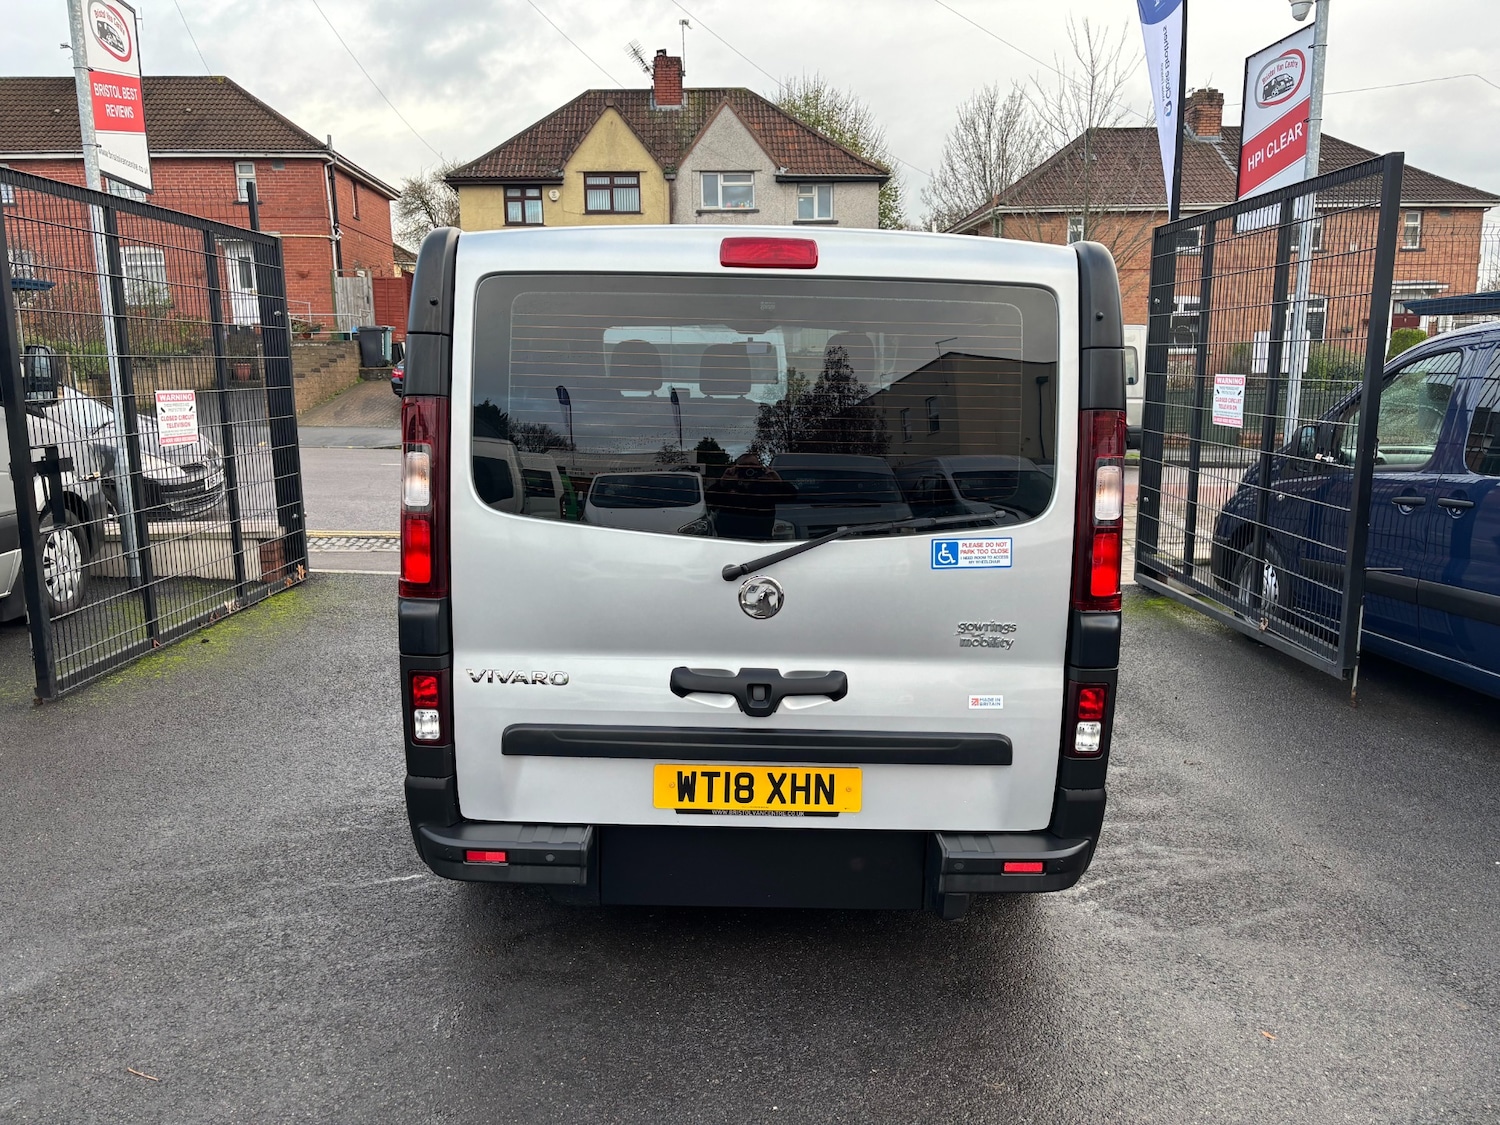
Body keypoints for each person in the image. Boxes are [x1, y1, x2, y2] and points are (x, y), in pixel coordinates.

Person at [705, 453, 795, 541]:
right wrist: (722, 483)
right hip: (730, 542)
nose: (748, 468)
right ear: (736, 468)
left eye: (752, 465)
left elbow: (792, 496)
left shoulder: (767, 487)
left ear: (760, 468)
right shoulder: (728, 485)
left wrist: (778, 481)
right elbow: (709, 499)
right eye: (744, 466)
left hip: (760, 543)